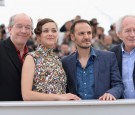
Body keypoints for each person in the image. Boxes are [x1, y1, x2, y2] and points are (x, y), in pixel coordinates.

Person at [62, 19, 124, 100]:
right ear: (72, 37)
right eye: (81, 33)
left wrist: (111, 93)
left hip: (102, 109)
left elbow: (118, 85)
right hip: (76, 110)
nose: (86, 37)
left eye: (89, 33)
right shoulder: (65, 62)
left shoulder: (108, 57)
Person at [21, 18, 80, 101]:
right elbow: (26, 95)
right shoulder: (31, 58)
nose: (50, 34)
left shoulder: (58, 59)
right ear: (38, 36)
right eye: (46, 31)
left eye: (54, 31)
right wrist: (59, 97)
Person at [0, 13, 33, 101]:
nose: (23, 31)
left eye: (27, 27)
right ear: (10, 29)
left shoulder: (34, 55)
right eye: (19, 26)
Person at [110, 15, 135, 98]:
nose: (132, 35)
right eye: (128, 31)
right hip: (120, 107)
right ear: (119, 34)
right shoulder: (111, 55)